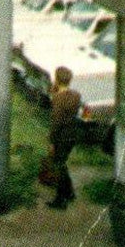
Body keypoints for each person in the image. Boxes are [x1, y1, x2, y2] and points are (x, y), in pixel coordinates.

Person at [48, 65, 83, 209]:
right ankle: (69, 192)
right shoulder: (76, 95)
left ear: (56, 80)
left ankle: (60, 199)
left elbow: (56, 121)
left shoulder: (57, 99)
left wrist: (51, 140)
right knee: (62, 163)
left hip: (61, 136)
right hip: (72, 134)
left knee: (59, 166)